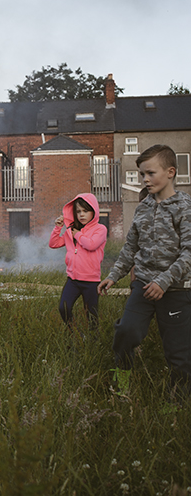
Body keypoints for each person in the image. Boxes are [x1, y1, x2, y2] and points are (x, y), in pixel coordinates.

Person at [98, 145, 191, 399]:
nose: (145, 179)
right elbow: (130, 248)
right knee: (127, 331)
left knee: (178, 351)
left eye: (150, 173)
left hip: (175, 289)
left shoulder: (184, 207)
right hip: (143, 286)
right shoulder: (142, 208)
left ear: (170, 172)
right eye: (142, 175)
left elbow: (189, 253)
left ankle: (176, 402)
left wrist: (164, 281)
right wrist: (113, 275)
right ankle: (121, 383)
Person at [48, 193, 107, 332]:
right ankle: (75, 334)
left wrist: (78, 235)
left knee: (91, 315)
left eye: (86, 211)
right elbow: (54, 243)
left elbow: (91, 245)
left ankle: (93, 342)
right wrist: (58, 228)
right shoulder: (70, 230)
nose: (81, 215)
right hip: (73, 279)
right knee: (64, 307)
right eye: (78, 211)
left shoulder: (100, 229)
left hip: (91, 281)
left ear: (94, 211)